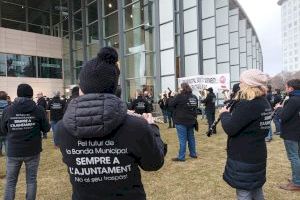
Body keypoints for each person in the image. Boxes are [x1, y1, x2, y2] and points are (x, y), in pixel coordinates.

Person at [56, 47, 165, 200]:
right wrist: (152, 127)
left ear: (81, 89)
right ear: (114, 87)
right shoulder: (136, 126)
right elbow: (154, 163)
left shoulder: (62, 128)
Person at [219, 69, 271, 200]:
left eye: (241, 82)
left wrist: (224, 114)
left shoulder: (248, 104)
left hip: (243, 156)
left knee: (244, 193)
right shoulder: (264, 102)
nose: (240, 85)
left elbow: (230, 128)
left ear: (249, 84)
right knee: (256, 189)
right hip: (257, 153)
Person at [1, 83, 50, 200]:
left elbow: (3, 129)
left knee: (11, 182)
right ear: (31, 95)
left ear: (18, 94)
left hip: (14, 150)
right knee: (31, 180)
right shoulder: (38, 110)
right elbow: (46, 128)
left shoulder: (8, 110)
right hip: (32, 150)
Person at [275, 79, 300, 191]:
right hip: (297, 131)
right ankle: (297, 178)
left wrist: (279, 109)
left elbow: (284, 116)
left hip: (292, 133)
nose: (285, 88)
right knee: (297, 156)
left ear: (291, 88)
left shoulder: (293, 100)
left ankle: (297, 183)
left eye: (286, 87)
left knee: (294, 157)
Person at [170, 82, 198, 161]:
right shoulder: (194, 97)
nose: (178, 89)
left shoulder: (180, 96)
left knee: (182, 139)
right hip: (191, 120)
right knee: (191, 138)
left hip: (181, 121)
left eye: (179, 88)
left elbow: (171, 104)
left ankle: (181, 157)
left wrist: (172, 96)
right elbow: (195, 107)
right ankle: (193, 153)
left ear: (182, 88)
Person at [0, 91, 9, 157]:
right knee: (7, 142)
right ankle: (8, 155)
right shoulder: (10, 106)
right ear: (6, 97)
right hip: (7, 129)